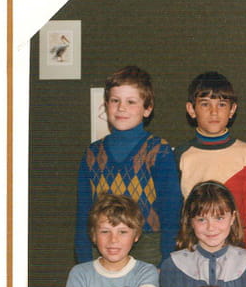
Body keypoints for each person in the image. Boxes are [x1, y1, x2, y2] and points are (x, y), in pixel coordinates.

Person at [74, 65, 182, 266]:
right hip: (103, 244)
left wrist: (167, 263)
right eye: (115, 101)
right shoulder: (92, 154)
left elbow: (171, 212)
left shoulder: (158, 151)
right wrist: (84, 263)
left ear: (147, 109)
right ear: (106, 105)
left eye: (131, 102)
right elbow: (84, 214)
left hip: (148, 247)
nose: (121, 108)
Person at [173, 71, 246, 249]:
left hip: (235, 248)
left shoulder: (245, 153)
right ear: (191, 109)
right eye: (205, 104)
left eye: (221, 104)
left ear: (232, 110)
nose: (214, 112)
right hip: (194, 248)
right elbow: (176, 211)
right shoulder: (182, 155)